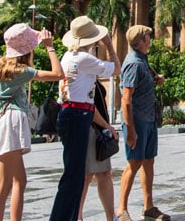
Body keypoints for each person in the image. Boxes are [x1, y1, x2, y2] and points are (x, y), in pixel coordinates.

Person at [0, 24, 64, 221]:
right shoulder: (19, 70)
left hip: (7, 121)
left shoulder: (1, 66)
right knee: (3, 185)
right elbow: (58, 74)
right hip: (12, 121)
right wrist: (50, 47)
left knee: (20, 181)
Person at [50, 16, 121, 221]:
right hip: (77, 116)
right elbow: (115, 68)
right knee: (74, 177)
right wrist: (109, 44)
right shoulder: (84, 59)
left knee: (75, 175)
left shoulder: (68, 56)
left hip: (74, 113)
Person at [116, 25, 170, 221]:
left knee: (148, 162)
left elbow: (141, 85)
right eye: (148, 36)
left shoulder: (143, 61)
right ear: (142, 41)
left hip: (148, 119)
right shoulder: (133, 63)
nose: (151, 38)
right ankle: (121, 209)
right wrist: (130, 130)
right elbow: (126, 99)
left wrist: (156, 79)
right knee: (134, 163)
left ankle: (148, 206)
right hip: (136, 120)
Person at [77, 78, 119, 221]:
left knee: (104, 174)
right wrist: (108, 126)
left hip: (97, 130)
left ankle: (111, 217)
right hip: (89, 128)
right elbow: (89, 107)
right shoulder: (82, 75)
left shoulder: (92, 74)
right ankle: (78, 216)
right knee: (86, 175)